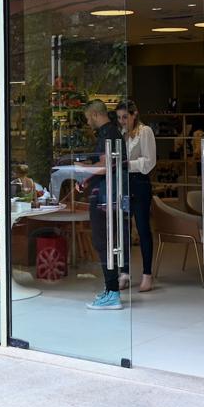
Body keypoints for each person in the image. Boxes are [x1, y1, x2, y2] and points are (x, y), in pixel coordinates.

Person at [82, 99, 126, 310]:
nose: (87, 122)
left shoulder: (109, 134)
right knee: (106, 242)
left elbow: (106, 165)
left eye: (88, 118)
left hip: (105, 197)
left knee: (103, 242)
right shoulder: (111, 132)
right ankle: (111, 289)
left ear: (95, 114)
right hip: (106, 195)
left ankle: (113, 293)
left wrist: (82, 169)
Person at [117, 98, 156, 292]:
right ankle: (124, 273)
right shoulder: (121, 134)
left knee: (142, 228)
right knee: (123, 229)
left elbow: (149, 162)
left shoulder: (145, 132)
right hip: (124, 184)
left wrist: (127, 164)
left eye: (125, 117)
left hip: (140, 183)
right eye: (119, 117)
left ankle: (147, 274)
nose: (122, 121)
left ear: (135, 115)